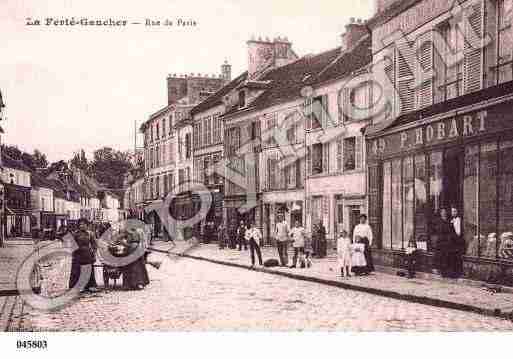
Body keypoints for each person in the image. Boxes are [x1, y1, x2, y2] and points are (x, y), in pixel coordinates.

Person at [69, 218, 98, 293]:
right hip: (78, 255)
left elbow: (94, 244)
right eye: (80, 224)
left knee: (88, 270)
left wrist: (93, 253)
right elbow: (72, 245)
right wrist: (74, 252)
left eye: (84, 224)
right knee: (77, 271)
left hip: (87, 254)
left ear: (87, 225)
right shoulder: (75, 234)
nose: (82, 226)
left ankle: (90, 286)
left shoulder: (90, 234)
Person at [434, 208, 457, 278]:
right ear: (440, 213)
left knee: (448, 257)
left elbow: (452, 230)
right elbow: (438, 230)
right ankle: (443, 272)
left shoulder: (449, 220)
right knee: (442, 257)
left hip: (448, 242)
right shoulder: (439, 221)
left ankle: (448, 272)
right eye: (442, 212)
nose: (444, 213)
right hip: (441, 242)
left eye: (445, 211)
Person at [449, 207, 464, 278]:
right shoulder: (452, 220)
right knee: (452, 257)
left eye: (455, 211)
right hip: (452, 241)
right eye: (452, 211)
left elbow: (458, 232)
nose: (453, 213)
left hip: (456, 241)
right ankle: (453, 272)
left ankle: (457, 273)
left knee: (456, 256)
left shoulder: (458, 220)